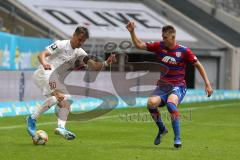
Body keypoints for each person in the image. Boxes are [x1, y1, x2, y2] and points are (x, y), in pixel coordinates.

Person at [126, 21, 213, 148]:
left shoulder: (184, 51)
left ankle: (177, 138)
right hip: (162, 87)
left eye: (165, 37)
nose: (163, 40)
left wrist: (207, 84)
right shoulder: (159, 46)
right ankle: (162, 129)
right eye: (162, 37)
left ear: (173, 37)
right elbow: (139, 45)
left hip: (178, 86)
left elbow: (198, 65)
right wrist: (132, 31)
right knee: (151, 103)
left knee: (171, 105)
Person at [27, 26, 116, 141]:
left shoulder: (79, 52)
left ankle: (60, 127)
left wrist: (106, 63)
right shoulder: (61, 44)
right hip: (45, 73)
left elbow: (93, 65)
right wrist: (44, 63)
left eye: (83, 41)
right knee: (60, 96)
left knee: (66, 103)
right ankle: (32, 118)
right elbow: (41, 54)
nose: (81, 42)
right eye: (79, 39)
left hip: (54, 78)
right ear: (74, 35)